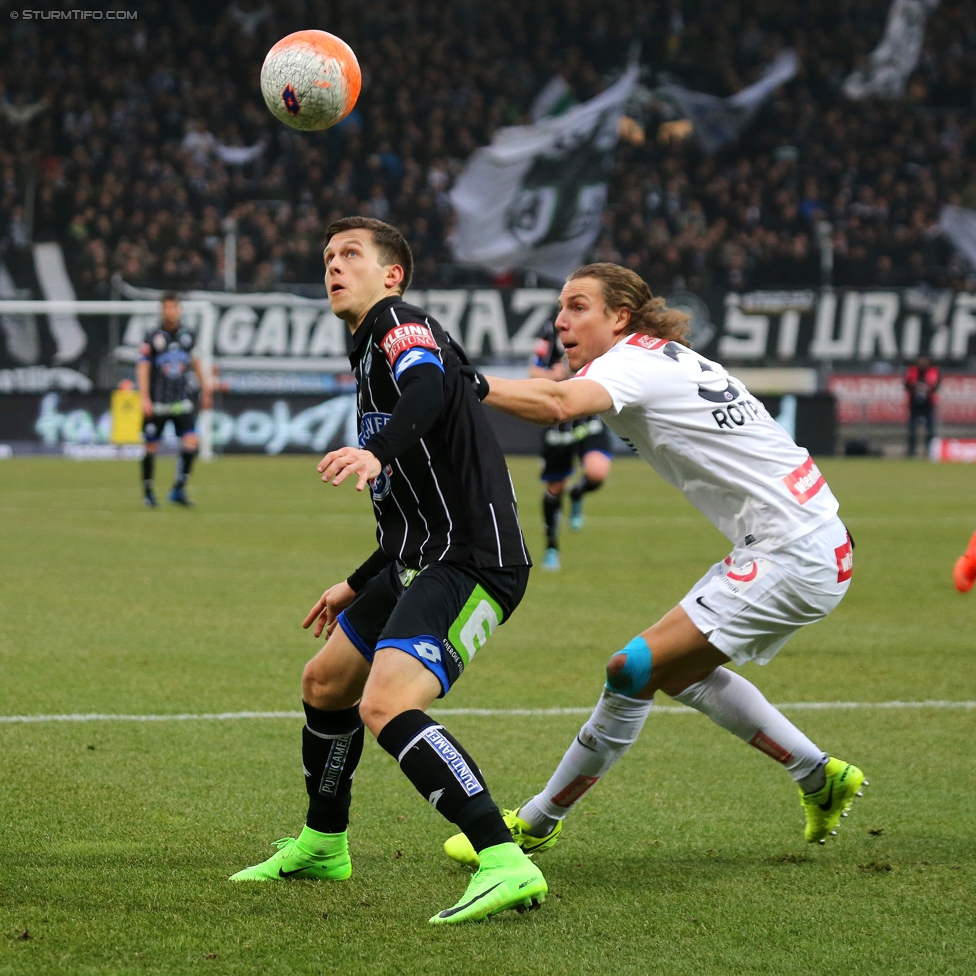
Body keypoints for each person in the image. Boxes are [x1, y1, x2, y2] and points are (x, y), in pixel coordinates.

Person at [444, 263, 866, 868]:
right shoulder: (659, 355)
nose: (562, 319)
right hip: (808, 543)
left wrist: (468, 383)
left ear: (619, 317)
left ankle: (536, 823)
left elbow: (561, 403)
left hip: (792, 550)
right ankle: (818, 776)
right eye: (560, 307)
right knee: (673, 672)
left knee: (631, 668)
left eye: (578, 306)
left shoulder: (630, 363)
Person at [230, 217, 546, 925]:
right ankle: (323, 843)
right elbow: (415, 498)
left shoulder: (399, 325)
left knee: (387, 704)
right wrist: (358, 577)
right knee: (326, 682)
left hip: (473, 560)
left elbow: (429, 391)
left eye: (351, 255)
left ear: (392, 275)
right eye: (327, 258)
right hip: (416, 558)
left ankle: (502, 858)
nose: (334, 267)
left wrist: (376, 453)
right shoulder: (368, 350)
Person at [531, 318, 614, 570]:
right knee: (555, 487)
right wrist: (550, 374)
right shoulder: (548, 330)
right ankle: (552, 547)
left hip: (588, 414)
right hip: (560, 419)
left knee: (597, 472)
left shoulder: (598, 327)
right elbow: (533, 371)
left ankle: (578, 493)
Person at [137, 291, 212, 507]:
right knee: (151, 446)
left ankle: (179, 488)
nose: (170, 312)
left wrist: (206, 389)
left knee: (191, 442)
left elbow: (196, 362)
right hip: (157, 402)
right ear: (162, 310)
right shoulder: (152, 336)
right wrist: (144, 398)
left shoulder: (188, 335)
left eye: (174, 308)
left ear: (179, 310)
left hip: (181, 400)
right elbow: (143, 367)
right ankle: (148, 492)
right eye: (167, 308)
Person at [904, 356, 940, 457]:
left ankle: (929, 452)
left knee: (930, 430)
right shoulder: (912, 371)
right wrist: (915, 386)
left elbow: (937, 385)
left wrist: (928, 388)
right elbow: (906, 384)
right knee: (912, 431)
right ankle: (911, 452)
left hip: (928, 404)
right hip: (915, 404)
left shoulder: (933, 372)